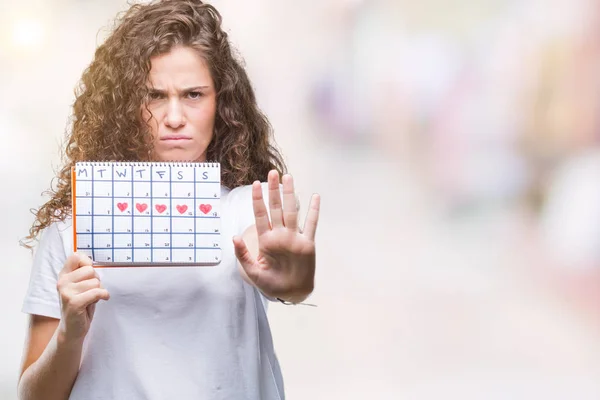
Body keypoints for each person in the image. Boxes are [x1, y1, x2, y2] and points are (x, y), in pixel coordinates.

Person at [18, 1, 320, 399]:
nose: (174, 117)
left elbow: (280, 274)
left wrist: (295, 278)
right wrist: (68, 336)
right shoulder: (71, 227)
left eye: (193, 94)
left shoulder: (247, 207)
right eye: (154, 96)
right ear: (124, 106)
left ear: (221, 103)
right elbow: (33, 396)